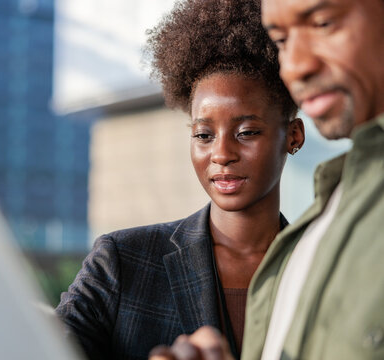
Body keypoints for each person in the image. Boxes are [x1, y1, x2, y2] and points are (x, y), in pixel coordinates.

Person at [55, 0, 305, 359]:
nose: (221, 154)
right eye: (204, 135)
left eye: (247, 132)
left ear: (293, 136)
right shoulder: (123, 262)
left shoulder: (320, 264)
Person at [149, 0, 384, 359]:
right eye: (282, 40)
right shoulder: (323, 227)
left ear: (293, 137)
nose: (295, 67)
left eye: (322, 23)